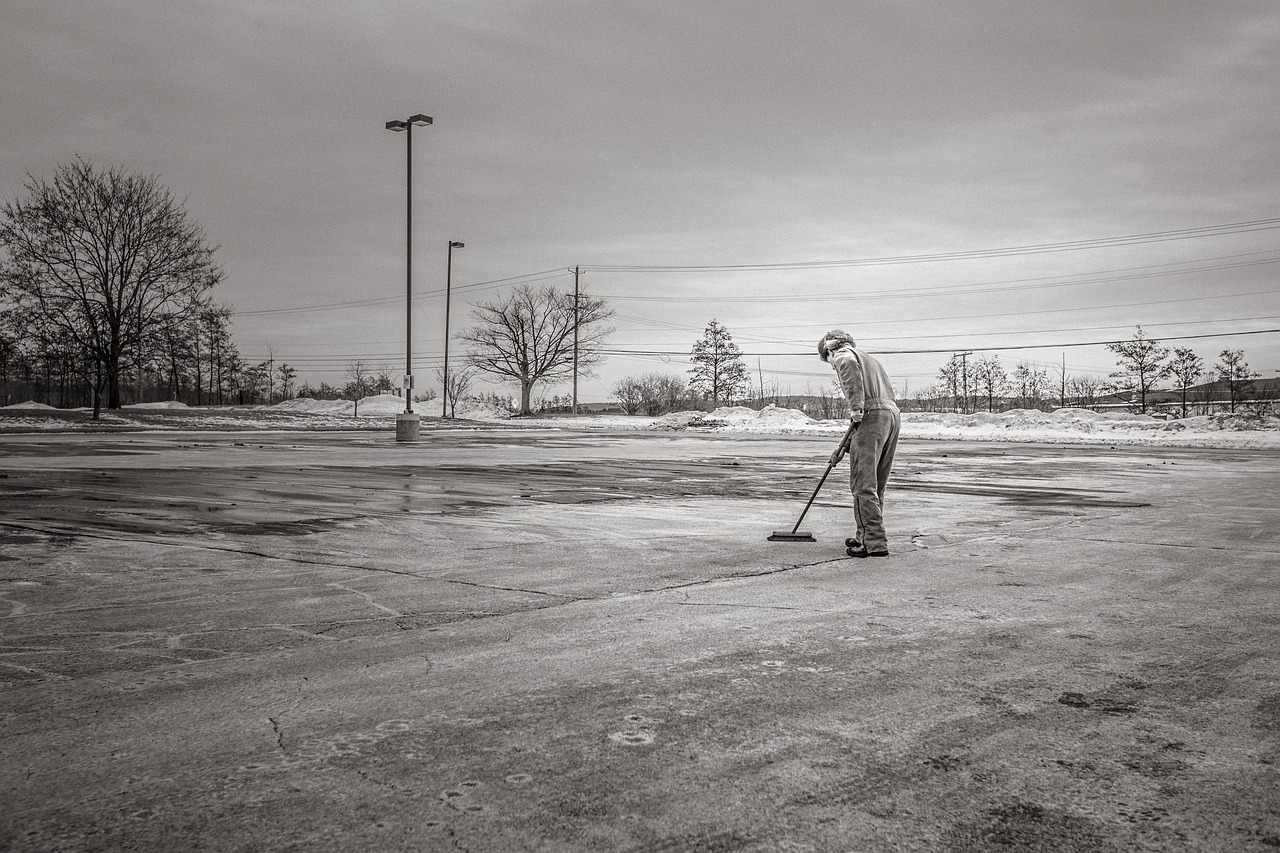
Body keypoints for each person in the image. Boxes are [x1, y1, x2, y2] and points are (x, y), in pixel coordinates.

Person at [818, 330, 900, 558]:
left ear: (829, 350)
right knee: (875, 483)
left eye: (829, 362)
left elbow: (860, 405)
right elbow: (864, 420)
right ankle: (865, 534)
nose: (833, 366)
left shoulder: (843, 355)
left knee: (862, 484)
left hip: (873, 415)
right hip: (890, 415)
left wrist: (855, 407)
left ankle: (873, 543)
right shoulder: (869, 359)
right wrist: (843, 449)